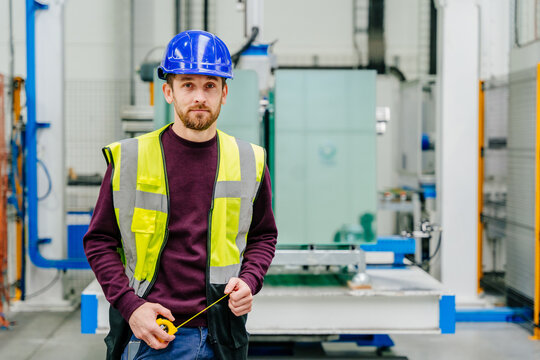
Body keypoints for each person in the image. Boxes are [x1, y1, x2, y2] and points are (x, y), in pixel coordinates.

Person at [83, 30, 277, 360]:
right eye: (188, 84)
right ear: (168, 92)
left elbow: (263, 236)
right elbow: (99, 241)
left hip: (224, 335)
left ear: (224, 93)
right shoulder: (131, 158)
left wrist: (249, 280)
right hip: (153, 334)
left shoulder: (249, 160)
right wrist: (131, 307)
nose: (199, 96)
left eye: (209, 85)